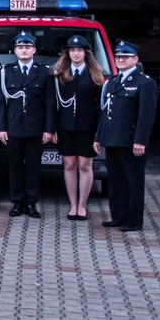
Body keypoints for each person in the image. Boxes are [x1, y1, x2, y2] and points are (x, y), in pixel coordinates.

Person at [96, 41, 157, 233]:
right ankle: (118, 216)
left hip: (131, 141)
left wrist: (140, 140)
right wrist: (99, 137)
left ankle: (134, 220)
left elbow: (146, 115)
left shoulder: (145, 82)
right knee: (115, 181)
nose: (121, 60)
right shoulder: (113, 82)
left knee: (133, 181)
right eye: (118, 57)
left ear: (135, 59)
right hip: (112, 139)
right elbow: (105, 112)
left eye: (125, 57)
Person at [0, 31, 55, 219]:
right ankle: (17, 203)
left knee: (33, 167)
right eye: (20, 47)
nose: (24, 50)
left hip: (35, 128)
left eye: (27, 47)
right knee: (14, 167)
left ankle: (31, 203)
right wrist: (0, 127)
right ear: (15, 50)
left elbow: (50, 103)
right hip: (13, 128)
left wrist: (49, 129)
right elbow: (0, 102)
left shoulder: (44, 72)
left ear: (34, 50)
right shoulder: (6, 71)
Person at [52, 35, 104, 221]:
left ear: (86, 53)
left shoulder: (95, 75)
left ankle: (82, 205)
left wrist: (100, 131)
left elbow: (101, 107)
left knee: (84, 165)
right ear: (67, 53)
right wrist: (53, 128)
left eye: (79, 50)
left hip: (87, 128)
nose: (75, 53)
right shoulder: (59, 74)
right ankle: (72, 205)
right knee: (69, 165)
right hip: (65, 127)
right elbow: (54, 104)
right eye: (72, 50)